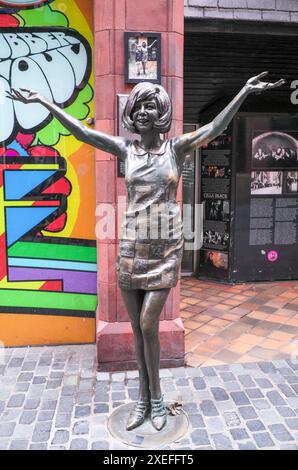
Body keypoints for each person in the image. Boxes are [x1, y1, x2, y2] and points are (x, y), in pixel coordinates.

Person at [7, 71, 284, 432]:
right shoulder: (126, 149)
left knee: (148, 322)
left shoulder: (177, 148)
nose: (141, 111)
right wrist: (44, 102)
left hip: (165, 247)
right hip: (130, 246)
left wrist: (243, 90)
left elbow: (214, 129)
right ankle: (144, 399)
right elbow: (83, 132)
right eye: (137, 106)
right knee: (138, 332)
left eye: (149, 105)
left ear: (162, 113)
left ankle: (156, 397)